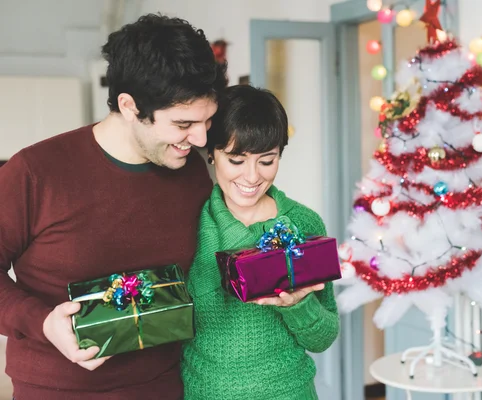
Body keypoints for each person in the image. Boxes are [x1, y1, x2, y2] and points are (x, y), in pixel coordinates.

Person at [0, 14, 226, 400]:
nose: (202, 138)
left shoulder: (192, 174)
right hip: (58, 390)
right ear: (129, 106)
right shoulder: (35, 172)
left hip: (168, 386)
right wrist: (41, 322)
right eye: (183, 123)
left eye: (208, 120)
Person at [181, 85, 339, 400]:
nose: (252, 177)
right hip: (205, 392)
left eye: (267, 161)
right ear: (212, 154)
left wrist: (298, 305)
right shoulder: (187, 224)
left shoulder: (305, 224)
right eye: (236, 160)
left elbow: (324, 337)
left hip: (289, 392)